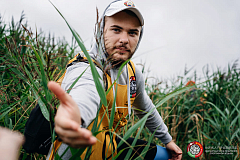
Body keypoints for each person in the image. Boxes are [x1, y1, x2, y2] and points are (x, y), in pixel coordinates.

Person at [47, 0, 182, 159]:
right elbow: (84, 94)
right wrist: (75, 119)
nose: (125, 39)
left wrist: (167, 140)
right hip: (77, 154)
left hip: (108, 147)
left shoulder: (132, 74)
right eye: (116, 30)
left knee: (165, 155)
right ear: (100, 30)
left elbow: (145, 108)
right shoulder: (85, 68)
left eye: (132, 33)